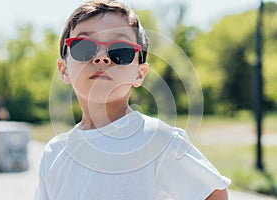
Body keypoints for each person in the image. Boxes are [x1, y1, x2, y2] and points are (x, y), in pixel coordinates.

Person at [35, 0, 231, 199]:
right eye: (84, 47)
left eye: (120, 51)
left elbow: (214, 193)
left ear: (139, 73)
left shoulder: (157, 140)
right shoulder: (54, 152)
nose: (102, 58)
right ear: (64, 69)